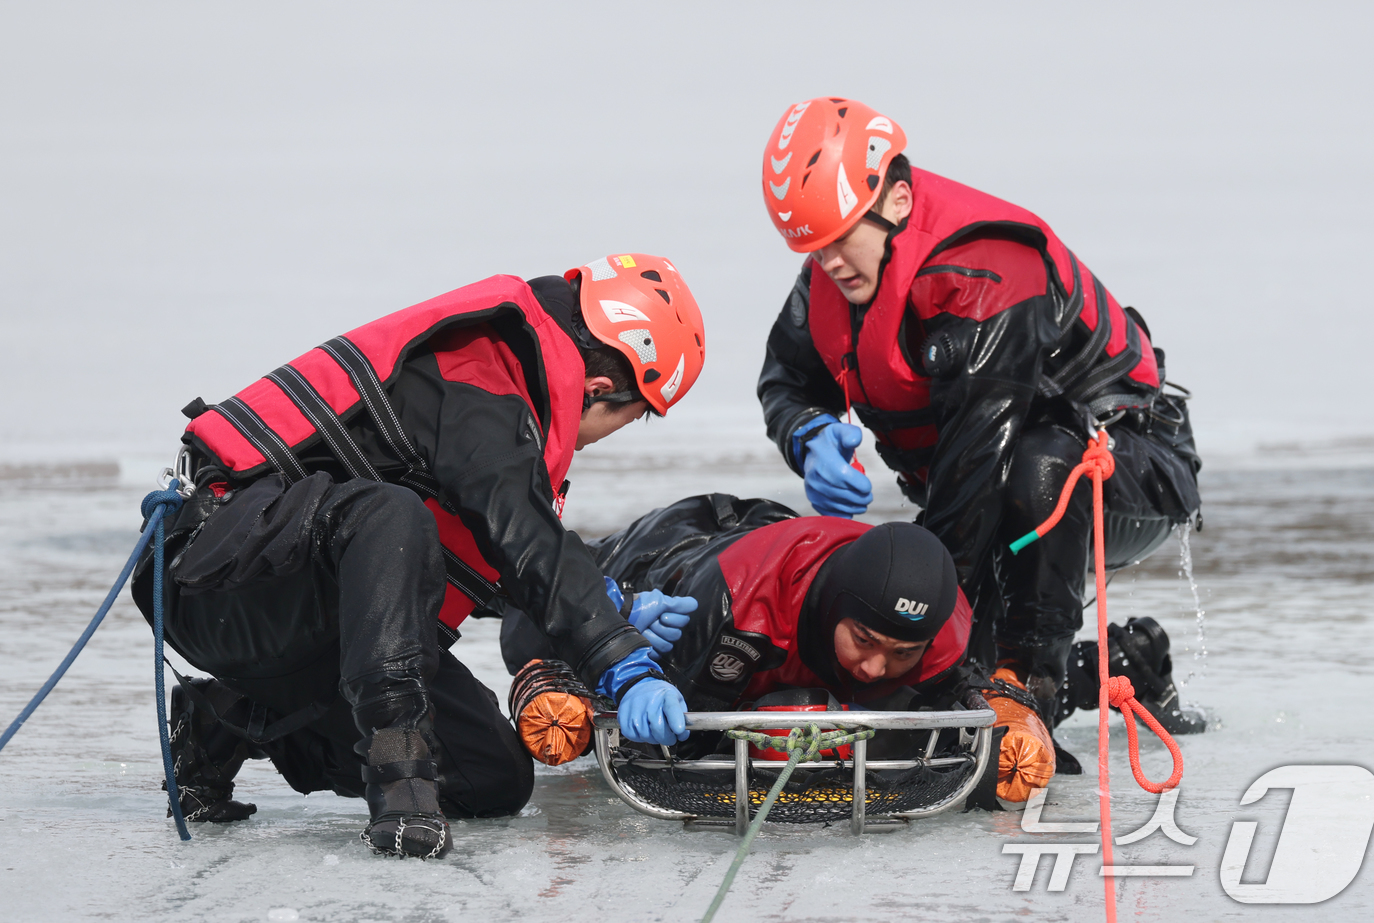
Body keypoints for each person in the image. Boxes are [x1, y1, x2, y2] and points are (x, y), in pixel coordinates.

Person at [132, 254, 706, 857]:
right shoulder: (479, 377)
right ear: (601, 388)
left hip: (314, 623)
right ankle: (399, 785)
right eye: (634, 415)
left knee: (491, 779)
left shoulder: (507, 407)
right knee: (390, 516)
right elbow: (524, 539)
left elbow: (505, 552)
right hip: (216, 578)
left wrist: (612, 606)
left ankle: (226, 721)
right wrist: (625, 663)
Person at [754, 97, 1205, 736]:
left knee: (1033, 470)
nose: (826, 263)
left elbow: (976, 471)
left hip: (1124, 469)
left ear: (896, 202)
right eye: (811, 246)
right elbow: (787, 380)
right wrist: (809, 434)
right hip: (988, 483)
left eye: (838, 239)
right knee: (950, 640)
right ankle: (1124, 666)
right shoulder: (836, 270)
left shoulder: (987, 266)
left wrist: (908, 622)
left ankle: (1030, 693)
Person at [501, 493, 1058, 805]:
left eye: (901, 654)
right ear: (836, 608)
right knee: (535, 611)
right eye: (863, 640)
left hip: (785, 530)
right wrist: (585, 669)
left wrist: (1015, 716)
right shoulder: (733, 608)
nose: (873, 667)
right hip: (672, 552)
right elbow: (684, 751)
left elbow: (967, 695)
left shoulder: (942, 631)